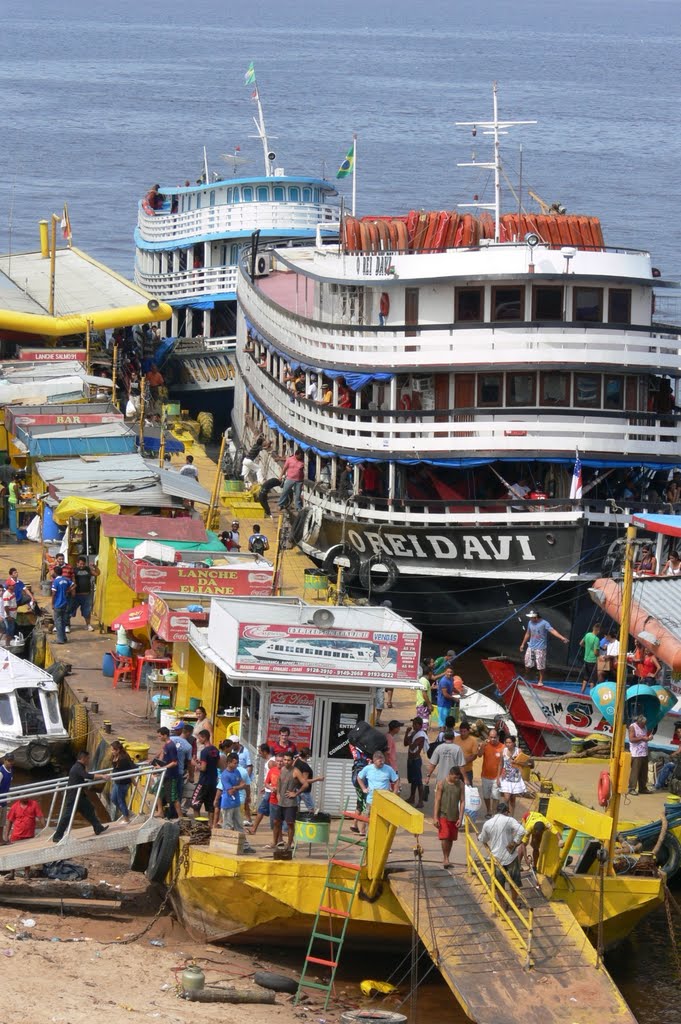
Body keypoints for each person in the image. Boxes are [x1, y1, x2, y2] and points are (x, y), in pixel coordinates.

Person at [52, 752, 109, 842]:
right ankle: (57, 836)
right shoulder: (78, 767)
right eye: (88, 758)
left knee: (89, 809)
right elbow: (87, 776)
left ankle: (98, 827)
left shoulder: (78, 767)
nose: (89, 760)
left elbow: (82, 777)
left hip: (79, 796)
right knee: (67, 816)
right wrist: (102, 776)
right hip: (74, 796)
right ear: (83, 758)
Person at [479, 801, 527, 897]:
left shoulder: (488, 823)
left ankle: (502, 904)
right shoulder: (509, 820)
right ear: (506, 812)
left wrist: (479, 836)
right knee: (515, 882)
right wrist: (514, 843)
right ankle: (514, 902)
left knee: (499, 884)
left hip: (497, 857)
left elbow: (483, 839)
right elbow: (522, 831)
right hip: (511, 856)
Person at [519, 610, 568, 687]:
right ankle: (527, 675)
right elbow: (528, 633)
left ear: (536, 617)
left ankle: (540, 680)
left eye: (532, 617)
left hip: (540, 648)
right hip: (531, 646)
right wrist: (522, 644)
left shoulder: (544, 623)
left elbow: (552, 630)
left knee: (540, 665)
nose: (530, 619)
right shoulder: (530, 623)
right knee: (527, 663)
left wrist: (562, 638)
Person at [433, 765, 466, 868]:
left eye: (458, 778)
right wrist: (435, 817)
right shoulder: (441, 784)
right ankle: (445, 859)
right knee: (445, 836)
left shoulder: (460, 785)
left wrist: (460, 818)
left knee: (451, 838)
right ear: (450, 774)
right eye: (455, 777)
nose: (456, 779)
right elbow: (437, 800)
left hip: (454, 815)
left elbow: (462, 801)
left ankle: (447, 857)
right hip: (443, 814)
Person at [272, 752, 305, 852]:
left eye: (288, 760)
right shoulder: (282, 769)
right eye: (285, 760)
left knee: (290, 823)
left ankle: (289, 844)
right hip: (280, 801)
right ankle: (275, 843)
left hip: (290, 803)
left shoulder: (295, 771)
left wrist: (296, 793)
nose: (286, 762)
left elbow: (305, 784)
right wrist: (278, 792)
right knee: (276, 822)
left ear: (292, 761)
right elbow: (279, 781)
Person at [219, 753, 252, 848]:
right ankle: (226, 844)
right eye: (234, 763)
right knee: (227, 825)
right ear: (228, 763)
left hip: (236, 803)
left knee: (239, 825)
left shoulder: (237, 771)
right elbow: (230, 791)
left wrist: (236, 787)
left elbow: (243, 784)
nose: (236, 765)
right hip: (227, 804)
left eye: (237, 763)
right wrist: (238, 787)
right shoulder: (225, 775)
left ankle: (243, 845)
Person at [248, 750, 282, 837]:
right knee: (267, 813)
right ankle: (254, 829)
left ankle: (281, 839)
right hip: (270, 792)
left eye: (260, 751)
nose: (279, 763)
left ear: (264, 751)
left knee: (275, 818)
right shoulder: (272, 768)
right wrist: (268, 786)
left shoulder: (272, 763)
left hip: (274, 795)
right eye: (278, 761)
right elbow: (270, 779)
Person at [357, 751, 399, 819]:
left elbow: (396, 780)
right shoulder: (368, 769)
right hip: (371, 800)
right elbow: (359, 777)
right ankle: (363, 830)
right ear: (374, 761)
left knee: (382, 819)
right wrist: (363, 788)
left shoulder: (388, 769)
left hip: (384, 800)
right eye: (380, 761)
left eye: (383, 760)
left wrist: (394, 793)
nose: (382, 762)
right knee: (366, 818)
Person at [191, 729, 220, 816]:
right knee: (211, 806)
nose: (198, 740)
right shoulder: (215, 750)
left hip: (204, 782)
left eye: (199, 738)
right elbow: (216, 764)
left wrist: (195, 763)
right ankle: (211, 825)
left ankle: (198, 825)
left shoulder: (205, 751)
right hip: (213, 782)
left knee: (195, 804)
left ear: (204, 737)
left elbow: (203, 768)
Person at [497, 736, 527, 815]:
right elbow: (500, 765)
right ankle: (505, 814)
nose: (508, 744)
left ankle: (511, 816)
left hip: (515, 777)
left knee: (512, 799)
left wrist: (516, 762)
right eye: (506, 742)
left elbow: (524, 763)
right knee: (506, 798)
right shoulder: (503, 751)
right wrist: (498, 778)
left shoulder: (519, 751)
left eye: (509, 742)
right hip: (505, 777)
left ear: (513, 743)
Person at [155, 727, 181, 819]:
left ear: (165, 735)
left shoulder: (171, 746)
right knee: (157, 791)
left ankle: (180, 816)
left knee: (173, 797)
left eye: (160, 736)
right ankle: (160, 811)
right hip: (165, 774)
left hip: (171, 775)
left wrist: (162, 767)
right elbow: (163, 756)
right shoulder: (166, 745)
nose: (159, 738)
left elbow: (174, 762)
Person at [480, 727, 504, 818]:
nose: (493, 739)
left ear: (498, 737)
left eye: (494, 737)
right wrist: (482, 745)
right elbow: (479, 755)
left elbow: (503, 764)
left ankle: (493, 813)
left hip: (497, 777)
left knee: (496, 796)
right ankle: (488, 810)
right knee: (486, 795)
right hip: (485, 776)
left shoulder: (502, 747)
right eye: (491, 737)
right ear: (488, 737)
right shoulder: (485, 745)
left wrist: (499, 777)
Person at [108, 740, 135, 823]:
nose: (111, 751)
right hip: (117, 781)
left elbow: (129, 770)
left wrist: (133, 781)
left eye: (113, 750)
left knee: (120, 800)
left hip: (123, 782)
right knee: (113, 798)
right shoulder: (115, 756)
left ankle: (126, 819)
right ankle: (126, 813)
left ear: (118, 750)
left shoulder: (123, 759)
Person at [404, 716, 428, 807]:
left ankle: (420, 801)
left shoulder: (421, 735)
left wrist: (410, 738)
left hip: (416, 760)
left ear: (420, 725)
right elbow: (405, 743)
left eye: (415, 724)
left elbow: (412, 746)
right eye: (413, 724)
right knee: (413, 780)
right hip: (411, 759)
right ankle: (412, 797)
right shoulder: (414, 733)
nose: (413, 726)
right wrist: (407, 733)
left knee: (418, 781)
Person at [71, 556, 99, 632]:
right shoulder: (74, 570)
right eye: (80, 564)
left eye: (83, 564)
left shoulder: (88, 569)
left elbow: (97, 573)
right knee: (70, 610)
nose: (82, 565)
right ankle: (67, 625)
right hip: (76, 595)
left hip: (86, 595)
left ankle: (88, 625)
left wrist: (95, 566)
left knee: (87, 611)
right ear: (77, 563)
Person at [628, 714, 653, 795]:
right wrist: (642, 738)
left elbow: (645, 738)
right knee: (635, 772)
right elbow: (631, 739)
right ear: (638, 722)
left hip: (644, 752)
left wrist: (648, 738)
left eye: (645, 723)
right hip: (636, 754)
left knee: (644, 772)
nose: (644, 725)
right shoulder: (632, 727)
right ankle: (631, 788)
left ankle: (643, 788)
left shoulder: (645, 727)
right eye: (643, 724)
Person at [294, 747, 323, 814]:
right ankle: (310, 822)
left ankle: (295, 820)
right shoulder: (305, 767)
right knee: (311, 808)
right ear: (307, 756)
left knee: (295, 807)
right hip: (304, 790)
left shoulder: (297, 761)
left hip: (296, 788)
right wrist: (318, 779)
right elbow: (305, 781)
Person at [51, 567, 75, 645]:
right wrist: (68, 590)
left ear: (55, 572)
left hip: (58, 604)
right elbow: (74, 585)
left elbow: (54, 594)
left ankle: (60, 639)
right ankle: (64, 638)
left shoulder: (55, 582)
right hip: (65, 603)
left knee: (58, 622)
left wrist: (52, 603)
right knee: (63, 621)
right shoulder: (66, 580)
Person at [579, 622, 601, 692]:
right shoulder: (596, 639)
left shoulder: (587, 634)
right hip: (593, 661)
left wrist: (587, 647)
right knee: (593, 680)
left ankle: (581, 692)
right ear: (598, 630)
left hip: (586, 659)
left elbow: (581, 643)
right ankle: (591, 696)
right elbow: (595, 652)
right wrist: (599, 655)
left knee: (585, 678)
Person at [0, 753, 15, 840]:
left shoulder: (11, 771)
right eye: (9, 761)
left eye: (12, 761)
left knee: (2, 823)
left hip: (4, 800)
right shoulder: (1, 771)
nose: (10, 763)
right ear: (4, 760)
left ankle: (1, 840)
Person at [1, 578, 18, 642]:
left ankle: (9, 642)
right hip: (9, 615)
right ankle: (7, 643)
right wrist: (8, 616)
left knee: (12, 629)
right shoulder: (6, 594)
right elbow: (6, 606)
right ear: (9, 586)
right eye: (12, 585)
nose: (14, 586)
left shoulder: (12, 592)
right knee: (9, 630)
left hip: (13, 614)